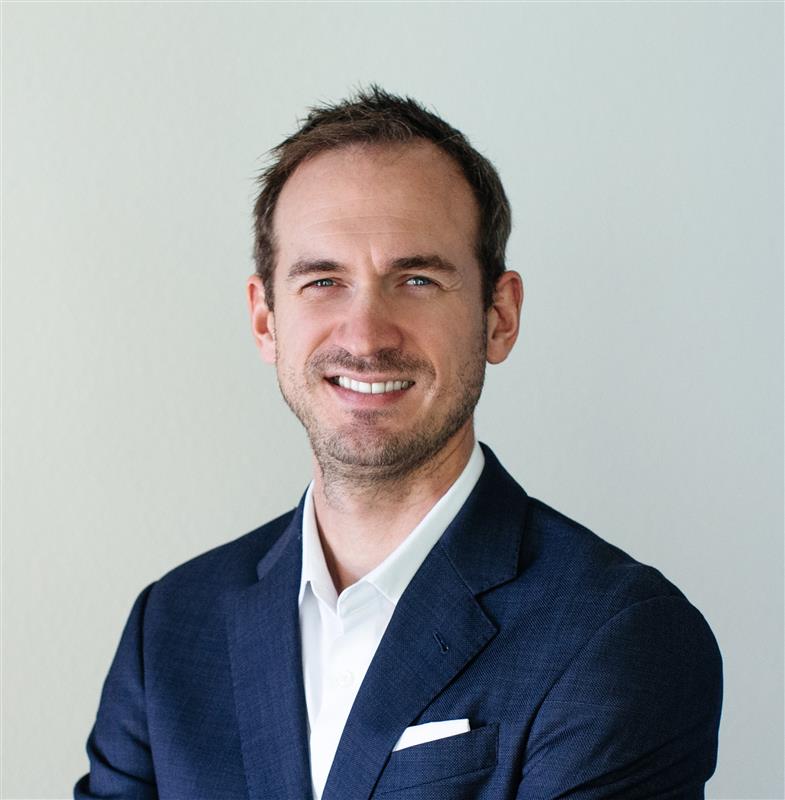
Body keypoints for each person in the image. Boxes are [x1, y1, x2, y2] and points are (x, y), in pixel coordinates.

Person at [75, 87, 722, 800]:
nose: (364, 336)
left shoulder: (618, 635)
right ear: (265, 320)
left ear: (499, 317)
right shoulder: (170, 627)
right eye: (323, 280)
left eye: (416, 279)